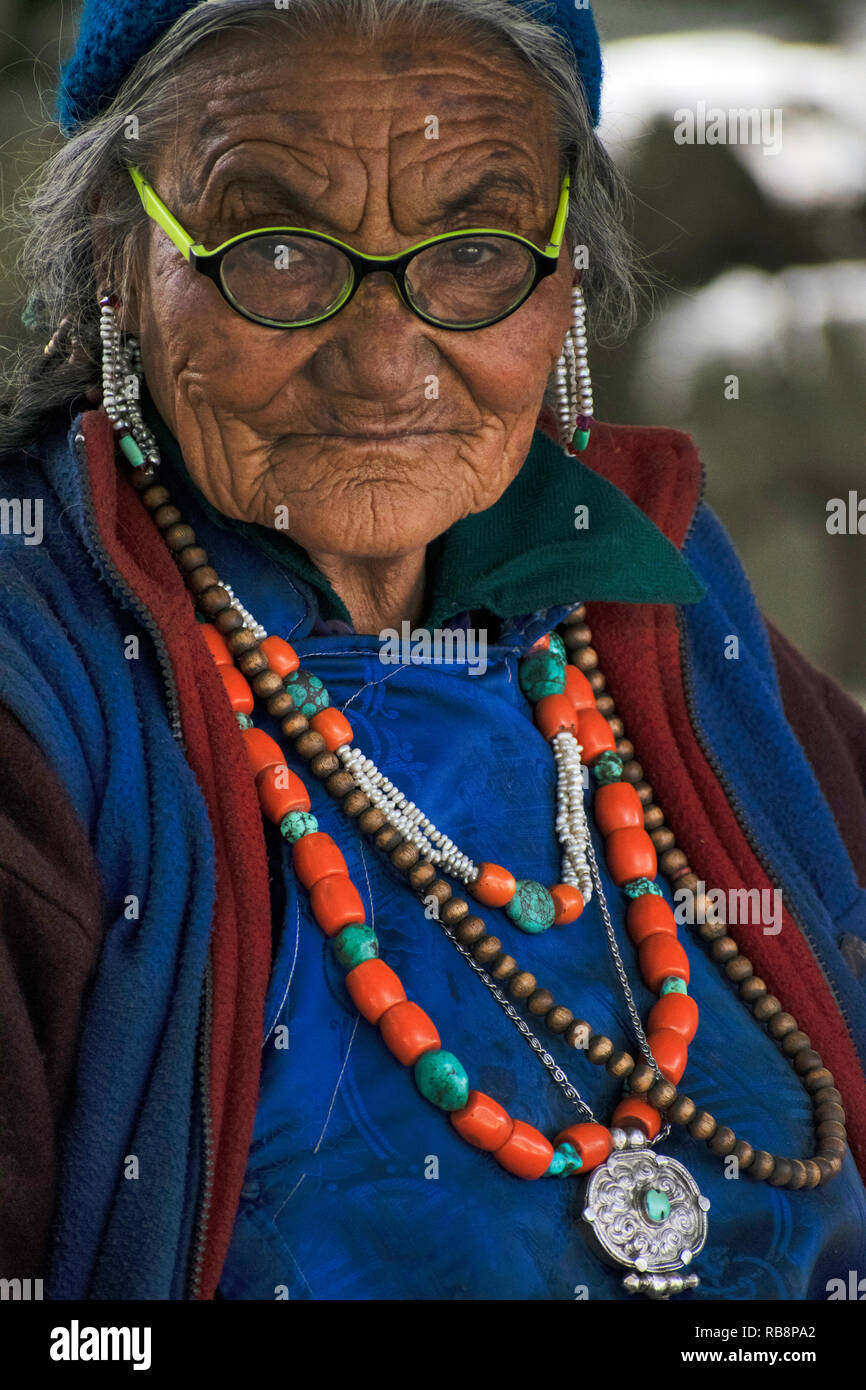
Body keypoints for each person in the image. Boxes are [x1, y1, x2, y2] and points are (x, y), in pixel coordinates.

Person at [1, 0, 865, 1302]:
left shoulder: (661, 599)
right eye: (275, 247)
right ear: (120, 260)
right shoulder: (37, 677)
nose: (384, 358)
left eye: (474, 250)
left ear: (563, 275)